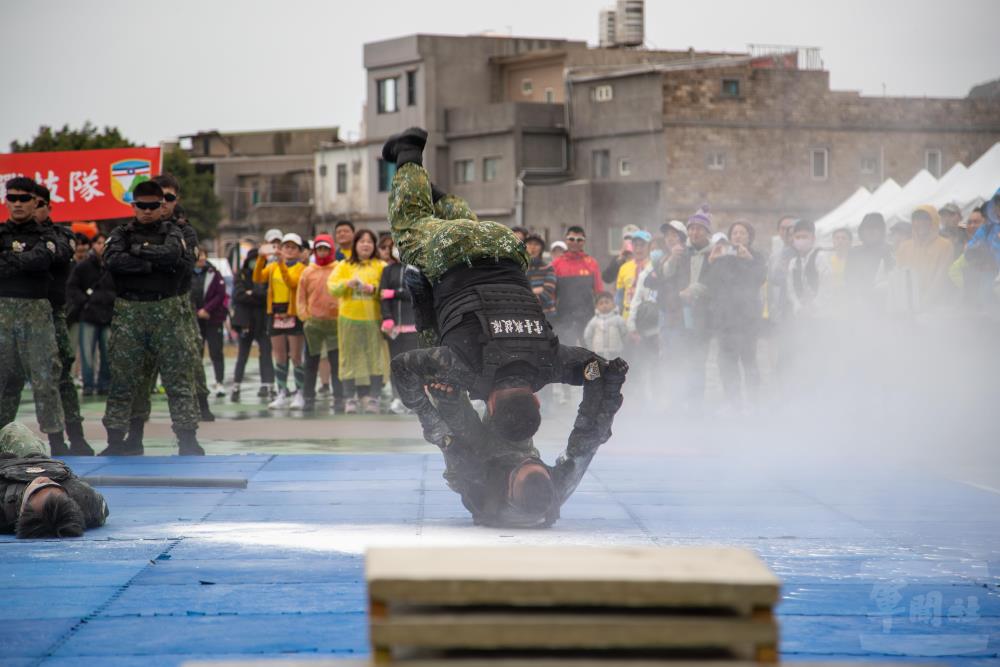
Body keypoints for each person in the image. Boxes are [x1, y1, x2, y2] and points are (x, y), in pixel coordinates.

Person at [383, 126, 626, 449]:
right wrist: (430, 420)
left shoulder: (550, 364)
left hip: (506, 245)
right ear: (492, 407)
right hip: (451, 257)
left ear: (536, 401)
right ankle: (409, 151)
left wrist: (596, 424)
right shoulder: (466, 369)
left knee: (467, 227)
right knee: (409, 221)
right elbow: (402, 366)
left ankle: (432, 191)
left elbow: (604, 371)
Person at [422, 357, 627, 528]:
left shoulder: (486, 494)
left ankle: (447, 383)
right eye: (535, 464)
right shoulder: (560, 484)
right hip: (510, 451)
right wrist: (606, 383)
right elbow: (590, 433)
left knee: (456, 417)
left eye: (523, 466)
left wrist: (447, 402)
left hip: (476, 463)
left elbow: (458, 453)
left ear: (510, 489)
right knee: (517, 419)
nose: (528, 461)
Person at [100, 180, 203, 456]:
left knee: (178, 378)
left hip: (167, 312)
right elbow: (111, 261)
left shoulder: (176, 231)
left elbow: (176, 259)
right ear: (133, 206)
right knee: (126, 378)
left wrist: (135, 253)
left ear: (164, 205)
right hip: (130, 312)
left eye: (153, 205)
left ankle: (187, 438)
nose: (147, 211)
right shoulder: (120, 233)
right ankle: (121, 439)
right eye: (141, 205)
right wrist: (150, 265)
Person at [0, 183, 92, 456]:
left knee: (50, 379)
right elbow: (34, 260)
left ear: (41, 204)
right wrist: (25, 260)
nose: (18, 204)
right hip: (4, 313)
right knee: (5, 380)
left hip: (45, 312)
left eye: (25, 199)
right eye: (12, 198)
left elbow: (43, 260)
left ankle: (63, 440)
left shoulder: (54, 234)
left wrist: (11, 259)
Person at [0, 422, 108, 538]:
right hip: (36, 461)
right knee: (15, 430)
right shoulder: (85, 499)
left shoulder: (3, 508)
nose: (44, 479)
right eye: (55, 485)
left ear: (22, 510)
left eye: (38, 488)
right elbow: (102, 509)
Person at [703, 222, 766, 412]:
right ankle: (734, 401)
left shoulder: (757, 256)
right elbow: (710, 284)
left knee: (749, 360)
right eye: (735, 232)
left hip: (748, 319)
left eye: (743, 233)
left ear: (750, 237)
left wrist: (748, 260)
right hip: (725, 319)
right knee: (727, 363)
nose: (738, 236)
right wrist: (711, 262)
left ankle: (754, 401)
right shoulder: (723, 257)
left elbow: (759, 280)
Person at [327, 229, 386, 413]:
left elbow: (387, 290)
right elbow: (332, 287)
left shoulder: (381, 266)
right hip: (349, 319)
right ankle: (349, 398)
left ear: (374, 245)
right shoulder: (344, 265)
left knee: (375, 358)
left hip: (373, 319)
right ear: (355, 245)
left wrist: (373, 289)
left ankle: (374, 398)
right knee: (348, 359)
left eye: (370, 241)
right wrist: (347, 284)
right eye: (362, 241)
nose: (366, 245)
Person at [254, 232, 308, 409]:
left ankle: (300, 393)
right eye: (286, 246)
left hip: (293, 313)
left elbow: (292, 282)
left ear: (300, 251)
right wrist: (262, 258)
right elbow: (258, 278)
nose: (289, 250)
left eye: (293, 247)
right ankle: (282, 392)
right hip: (275, 313)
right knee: (279, 356)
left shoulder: (301, 268)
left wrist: (281, 264)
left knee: (296, 356)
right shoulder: (273, 266)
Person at [296, 234, 344, 412]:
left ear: (331, 250)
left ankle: (339, 396)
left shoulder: (338, 268)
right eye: (319, 249)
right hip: (314, 324)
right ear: (315, 251)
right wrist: (305, 317)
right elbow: (300, 298)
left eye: (326, 249)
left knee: (336, 362)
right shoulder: (308, 271)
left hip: (335, 323)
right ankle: (308, 396)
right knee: (311, 362)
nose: (322, 252)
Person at [67, 233, 114, 397]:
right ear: (93, 245)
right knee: (87, 354)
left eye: (104, 243)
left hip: (108, 315)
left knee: (108, 353)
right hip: (88, 316)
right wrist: (84, 302)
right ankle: (88, 385)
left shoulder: (112, 266)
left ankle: (104, 384)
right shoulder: (83, 267)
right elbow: (72, 287)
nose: (102, 246)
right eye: (99, 243)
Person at [379, 247, 421, 415]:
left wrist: (395, 293)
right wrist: (387, 317)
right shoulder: (387, 270)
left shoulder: (416, 268)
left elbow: (416, 293)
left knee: (412, 363)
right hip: (394, 327)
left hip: (413, 325)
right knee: (395, 363)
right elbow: (382, 295)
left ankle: (415, 398)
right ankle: (397, 397)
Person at [230, 245, 275, 400]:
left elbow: (267, 295)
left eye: (258, 259)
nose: (255, 262)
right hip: (245, 322)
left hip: (263, 321)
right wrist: (256, 295)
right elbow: (238, 295)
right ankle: (236, 386)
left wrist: (252, 293)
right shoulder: (241, 274)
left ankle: (268, 385)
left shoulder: (266, 274)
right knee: (243, 355)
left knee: (266, 354)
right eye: (253, 260)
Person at [895, 205, 956, 309]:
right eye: (917, 219)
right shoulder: (905, 246)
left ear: (934, 221)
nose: (920, 223)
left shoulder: (945, 245)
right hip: (907, 306)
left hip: (935, 306)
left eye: (926, 219)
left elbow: (941, 277)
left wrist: (924, 304)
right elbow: (899, 277)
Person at [550, 226, 601, 345]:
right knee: (565, 350)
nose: (575, 243)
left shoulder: (591, 263)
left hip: (587, 314)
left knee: (588, 350)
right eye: (571, 239)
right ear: (566, 240)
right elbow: (551, 293)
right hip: (563, 314)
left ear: (584, 242)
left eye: (579, 240)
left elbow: (599, 291)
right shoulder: (556, 264)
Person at [191, 249, 228, 396]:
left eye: (203, 255)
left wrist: (207, 309)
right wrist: (195, 311)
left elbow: (220, 294)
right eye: (198, 256)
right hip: (194, 320)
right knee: (196, 352)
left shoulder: (214, 273)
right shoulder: (187, 274)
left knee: (216, 351)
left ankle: (219, 382)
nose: (201, 258)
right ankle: (197, 384)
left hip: (212, 318)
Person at [845, 213, 894, 313]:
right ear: (861, 231)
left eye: (875, 228)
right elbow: (848, 278)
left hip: (883, 306)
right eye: (867, 228)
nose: (871, 231)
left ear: (881, 231)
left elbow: (893, 279)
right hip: (857, 305)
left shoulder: (889, 251)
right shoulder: (854, 252)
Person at [765, 216, 798, 327]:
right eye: (783, 229)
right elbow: (770, 281)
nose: (787, 232)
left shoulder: (804, 252)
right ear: (779, 231)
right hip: (780, 308)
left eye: (790, 229)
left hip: (798, 308)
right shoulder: (774, 256)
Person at [584, 292, 627, 362]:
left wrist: (622, 347)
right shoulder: (594, 321)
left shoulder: (618, 319)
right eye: (601, 303)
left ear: (613, 303)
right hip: (598, 353)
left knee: (615, 370)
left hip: (615, 352)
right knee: (602, 371)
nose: (604, 305)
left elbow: (624, 334)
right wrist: (591, 349)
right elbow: (587, 336)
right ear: (597, 306)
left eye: (607, 302)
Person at [524, 234, 557, 319]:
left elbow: (548, 292)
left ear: (541, 248)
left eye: (536, 244)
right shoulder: (519, 268)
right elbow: (516, 291)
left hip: (546, 314)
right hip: (524, 315)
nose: (533, 247)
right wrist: (535, 290)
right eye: (530, 243)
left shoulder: (548, 268)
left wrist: (527, 298)